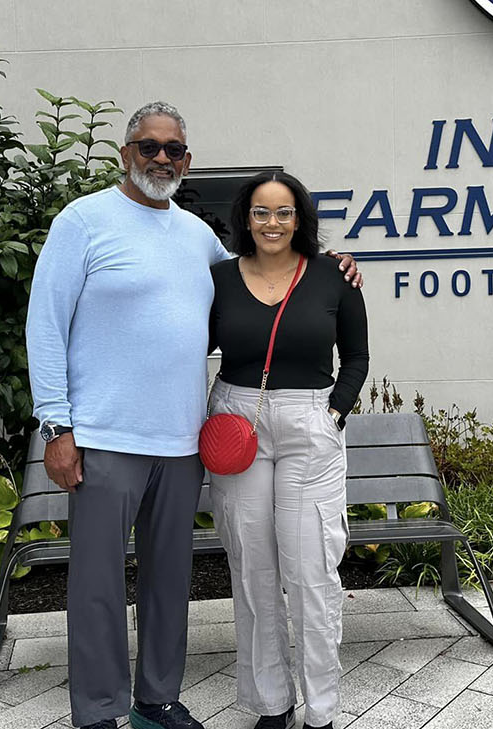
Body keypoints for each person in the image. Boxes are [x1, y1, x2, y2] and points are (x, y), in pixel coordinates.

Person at [25, 103, 361, 729]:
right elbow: (44, 327)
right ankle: (99, 711)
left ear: (188, 160)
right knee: (97, 585)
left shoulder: (197, 236)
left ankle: (157, 699)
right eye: (148, 146)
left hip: (184, 442)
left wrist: (332, 264)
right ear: (126, 154)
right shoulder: (84, 221)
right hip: (102, 437)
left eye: (173, 149)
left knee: (168, 581)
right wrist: (57, 426)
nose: (161, 158)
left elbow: (265, 274)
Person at [207, 172, 370, 729]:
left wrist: (334, 413)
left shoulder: (333, 275)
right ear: (244, 219)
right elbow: (188, 341)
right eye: (260, 212)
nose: (272, 223)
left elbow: (357, 356)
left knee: (311, 575)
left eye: (283, 212)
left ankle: (321, 711)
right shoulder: (220, 279)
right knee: (252, 571)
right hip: (236, 421)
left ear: (300, 218)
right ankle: (271, 707)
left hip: (309, 423)